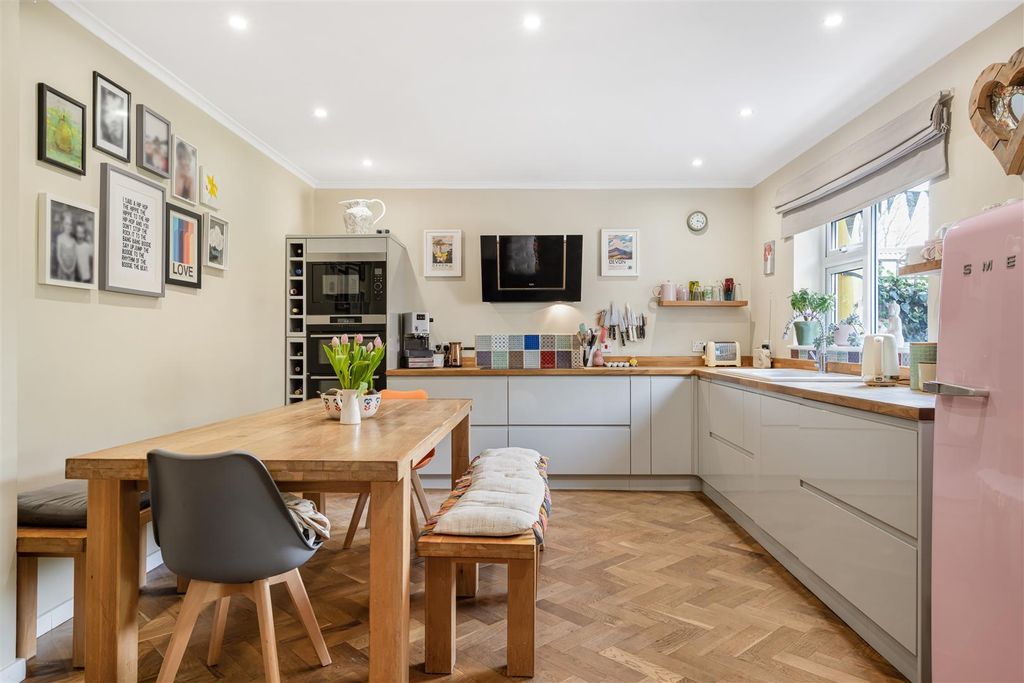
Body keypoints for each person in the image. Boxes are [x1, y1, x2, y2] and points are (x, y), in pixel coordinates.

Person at [55, 211, 77, 281]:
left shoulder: (73, 240)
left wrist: (72, 269)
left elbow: (75, 257)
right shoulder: (60, 238)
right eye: (66, 224)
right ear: (63, 224)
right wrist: (65, 269)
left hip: (72, 272)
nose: (68, 227)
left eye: (70, 224)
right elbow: (58, 256)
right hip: (62, 271)